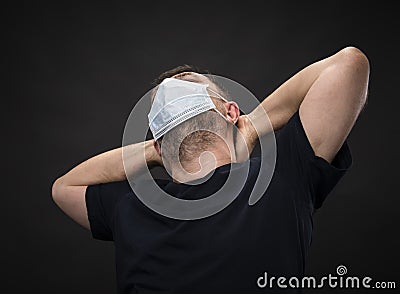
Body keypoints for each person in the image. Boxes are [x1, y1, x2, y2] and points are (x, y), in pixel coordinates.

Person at [52, 47, 370, 293]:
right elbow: (63, 188)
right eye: (160, 100)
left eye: (186, 83)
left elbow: (348, 65)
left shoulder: (277, 177)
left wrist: (250, 125)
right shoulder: (134, 205)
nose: (170, 91)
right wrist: (246, 128)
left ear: (230, 110)